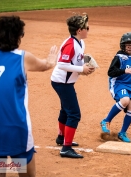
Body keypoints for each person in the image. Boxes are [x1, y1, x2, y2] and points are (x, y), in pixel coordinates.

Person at [0, 15, 58, 177]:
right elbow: (45, 65)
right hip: (16, 128)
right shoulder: (22, 57)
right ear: (18, 36)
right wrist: (51, 59)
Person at [51, 13, 95, 158]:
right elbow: (62, 64)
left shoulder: (80, 43)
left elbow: (75, 61)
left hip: (66, 82)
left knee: (66, 110)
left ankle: (61, 138)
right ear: (78, 30)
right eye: (86, 27)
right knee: (74, 114)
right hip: (61, 83)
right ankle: (66, 148)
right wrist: (81, 69)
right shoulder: (70, 44)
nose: (88, 29)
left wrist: (85, 66)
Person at [100, 32, 131, 143]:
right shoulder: (118, 57)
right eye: (127, 44)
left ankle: (122, 133)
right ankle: (106, 121)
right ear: (123, 46)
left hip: (129, 86)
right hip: (118, 84)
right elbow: (111, 72)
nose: (130, 46)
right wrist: (123, 70)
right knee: (125, 100)